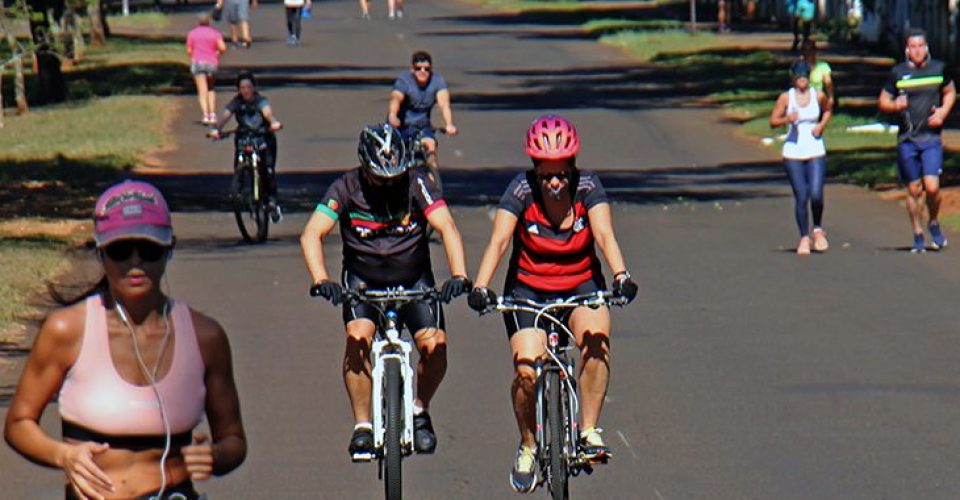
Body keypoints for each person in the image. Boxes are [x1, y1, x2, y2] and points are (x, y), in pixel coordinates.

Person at [4, 180, 247, 500]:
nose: (135, 262)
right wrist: (63, 455)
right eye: (120, 250)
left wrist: (214, 456)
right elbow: (18, 423)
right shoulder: (67, 330)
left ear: (169, 249)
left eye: (149, 249)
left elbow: (233, 439)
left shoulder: (206, 337)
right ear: (101, 253)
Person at [467, 115, 638, 493]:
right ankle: (528, 445)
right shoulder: (520, 190)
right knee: (526, 371)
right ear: (535, 170)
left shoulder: (588, 187)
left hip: (580, 283)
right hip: (528, 290)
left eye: (561, 173)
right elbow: (499, 241)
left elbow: (605, 234)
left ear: (572, 167)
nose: (555, 182)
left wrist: (621, 275)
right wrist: (480, 286)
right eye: (546, 175)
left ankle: (588, 430)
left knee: (597, 341)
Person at [300, 123, 471, 461]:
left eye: (395, 177)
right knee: (357, 339)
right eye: (381, 178)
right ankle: (362, 425)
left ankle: (420, 411)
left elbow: (446, 226)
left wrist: (459, 275)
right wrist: (321, 280)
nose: (389, 184)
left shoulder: (417, 183)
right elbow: (311, 234)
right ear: (365, 169)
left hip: (414, 280)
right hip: (363, 282)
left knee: (435, 346)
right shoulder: (345, 187)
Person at [878, 28, 956, 253]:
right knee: (913, 189)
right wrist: (895, 105)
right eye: (913, 47)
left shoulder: (939, 69)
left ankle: (933, 222)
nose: (917, 51)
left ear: (927, 47)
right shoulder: (898, 73)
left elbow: (950, 92)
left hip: (931, 137)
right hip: (908, 139)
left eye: (921, 46)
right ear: (907, 50)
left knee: (932, 187)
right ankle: (918, 233)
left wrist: (943, 112)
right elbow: (883, 101)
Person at [769, 60, 833, 255]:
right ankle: (804, 237)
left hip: (815, 148)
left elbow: (828, 109)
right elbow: (773, 121)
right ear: (793, 78)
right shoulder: (786, 98)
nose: (802, 80)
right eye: (798, 77)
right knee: (802, 195)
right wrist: (787, 119)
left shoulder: (818, 95)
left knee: (816, 192)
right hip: (793, 151)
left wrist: (821, 125)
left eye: (805, 77)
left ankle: (818, 229)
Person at [209, 72, 284, 223]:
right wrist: (217, 129)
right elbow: (225, 116)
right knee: (239, 162)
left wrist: (273, 122)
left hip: (263, 137)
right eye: (242, 88)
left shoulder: (261, 101)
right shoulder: (236, 102)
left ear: (254, 88)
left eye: (248, 87)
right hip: (245, 137)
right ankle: (240, 189)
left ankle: (272, 202)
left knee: (268, 171)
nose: (246, 91)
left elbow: (267, 113)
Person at [388, 51, 459, 175]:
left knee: (430, 148)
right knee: (394, 158)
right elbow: (396, 99)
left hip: (422, 127)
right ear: (412, 69)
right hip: (401, 126)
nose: (422, 72)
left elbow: (444, 104)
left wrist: (449, 124)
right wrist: (393, 115)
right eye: (418, 68)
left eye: (426, 69)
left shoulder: (437, 82)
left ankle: (433, 181)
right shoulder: (404, 81)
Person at [186, 13, 227, 125]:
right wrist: (217, 53)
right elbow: (223, 48)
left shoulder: (192, 33)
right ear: (209, 21)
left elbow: (189, 51)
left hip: (198, 62)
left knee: (202, 90)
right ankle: (213, 114)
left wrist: (194, 56)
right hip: (211, 63)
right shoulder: (215, 33)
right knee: (210, 88)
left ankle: (205, 115)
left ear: (198, 21)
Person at [801, 39, 834, 109]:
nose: (809, 53)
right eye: (806, 50)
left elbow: (828, 83)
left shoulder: (823, 66)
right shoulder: (798, 66)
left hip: (817, 98)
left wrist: (830, 96)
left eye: (810, 50)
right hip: (802, 98)